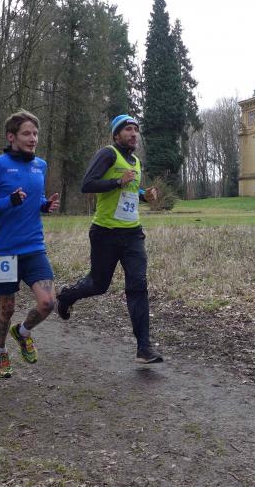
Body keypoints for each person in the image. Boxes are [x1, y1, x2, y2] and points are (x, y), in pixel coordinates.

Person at [56, 114, 163, 364]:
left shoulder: (136, 162)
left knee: (138, 285)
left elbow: (129, 191)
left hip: (133, 233)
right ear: (116, 135)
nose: (133, 133)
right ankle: (67, 296)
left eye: (136, 129)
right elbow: (87, 184)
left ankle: (144, 348)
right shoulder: (108, 154)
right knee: (99, 284)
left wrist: (144, 195)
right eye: (128, 129)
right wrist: (117, 181)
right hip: (105, 233)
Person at [0, 110, 60, 378]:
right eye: (26, 134)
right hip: (3, 252)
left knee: (48, 303)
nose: (33, 139)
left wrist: (44, 205)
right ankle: (0, 351)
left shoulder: (40, 165)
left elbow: (32, 198)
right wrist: (8, 201)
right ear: (11, 137)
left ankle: (23, 332)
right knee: (6, 310)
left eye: (35, 134)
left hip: (33, 247)